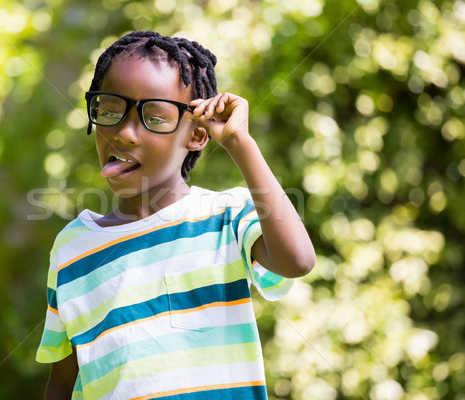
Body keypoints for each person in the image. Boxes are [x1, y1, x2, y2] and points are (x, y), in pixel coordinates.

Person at [36, 31, 316, 399]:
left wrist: (239, 143)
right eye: (109, 109)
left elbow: (297, 260)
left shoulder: (225, 217)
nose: (124, 133)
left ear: (197, 134)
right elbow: (62, 381)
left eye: (154, 116)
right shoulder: (73, 248)